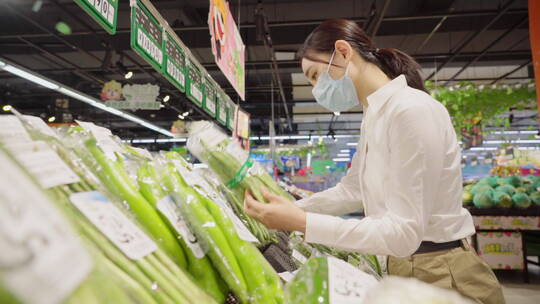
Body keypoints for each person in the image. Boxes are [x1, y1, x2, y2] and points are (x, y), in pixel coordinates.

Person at [244, 19, 505, 304]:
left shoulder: (410, 110)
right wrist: (290, 208)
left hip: (439, 270)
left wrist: (304, 221)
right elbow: (353, 190)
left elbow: (403, 232)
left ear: (343, 51)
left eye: (316, 75)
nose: (318, 90)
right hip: (405, 264)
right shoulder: (375, 117)